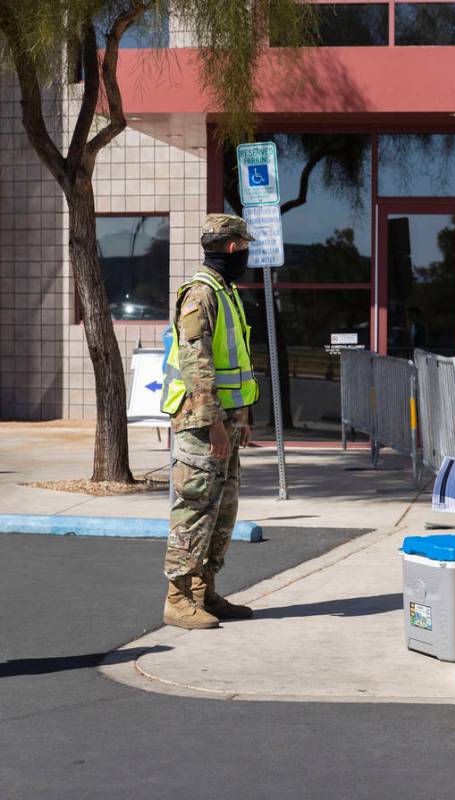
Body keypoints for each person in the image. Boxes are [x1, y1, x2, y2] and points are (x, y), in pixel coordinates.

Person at [159, 214, 259, 629]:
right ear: (234, 247)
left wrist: (242, 415)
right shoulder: (201, 294)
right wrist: (215, 421)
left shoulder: (225, 290)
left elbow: (234, 359)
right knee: (196, 506)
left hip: (225, 420)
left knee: (222, 509)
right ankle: (177, 598)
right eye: (245, 246)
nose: (248, 253)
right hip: (202, 422)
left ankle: (204, 590)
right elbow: (196, 362)